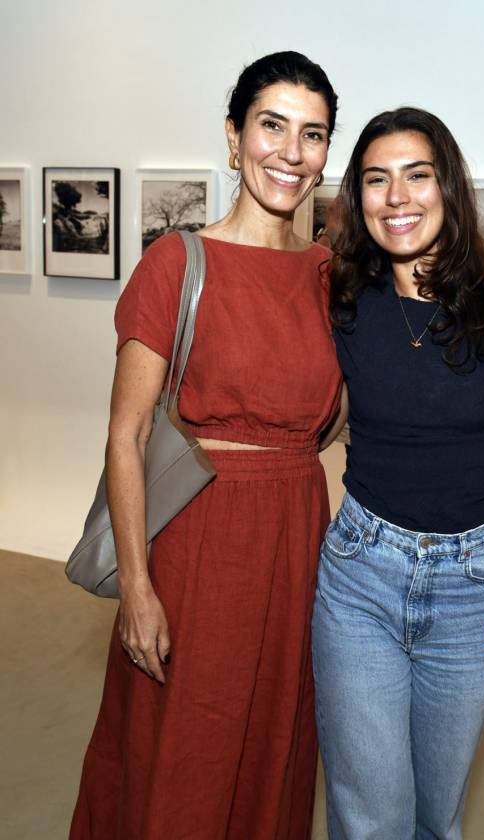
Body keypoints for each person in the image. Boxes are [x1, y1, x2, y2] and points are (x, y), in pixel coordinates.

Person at [69, 52, 344, 840]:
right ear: (233, 138)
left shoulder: (333, 276)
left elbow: (389, 390)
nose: (291, 152)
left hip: (297, 548)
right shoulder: (174, 264)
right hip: (195, 545)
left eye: (313, 134)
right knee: (177, 750)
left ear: (328, 153)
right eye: (272, 125)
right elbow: (126, 435)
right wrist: (139, 588)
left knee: (274, 745)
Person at [312, 107, 484, 840]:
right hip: (360, 577)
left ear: (448, 187)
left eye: (417, 176)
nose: (398, 197)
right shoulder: (341, 302)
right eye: (376, 180)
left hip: (475, 591)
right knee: (368, 814)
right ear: (357, 199)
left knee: (437, 815)